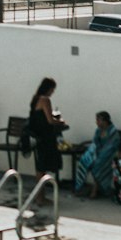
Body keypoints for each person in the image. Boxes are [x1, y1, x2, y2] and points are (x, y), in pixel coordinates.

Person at [28, 77, 68, 212]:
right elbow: (50, 120)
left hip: (38, 136)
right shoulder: (45, 100)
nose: (53, 92)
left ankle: (40, 196)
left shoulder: (35, 99)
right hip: (45, 137)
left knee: (40, 167)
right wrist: (61, 122)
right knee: (43, 167)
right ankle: (41, 197)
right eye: (53, 89)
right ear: (49, 88)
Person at [73, 110, 120, 199]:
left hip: (109, 155)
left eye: (98, 120)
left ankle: (95, 190)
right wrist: (92, 153)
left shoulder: (113, 132)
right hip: (98, 153)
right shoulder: (98, 131)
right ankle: (80, 187)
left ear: (104, 121)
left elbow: (111, 147)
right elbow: (95, 144)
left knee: (97, 165)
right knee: (84, 161)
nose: (96, 122)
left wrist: (100, 155)